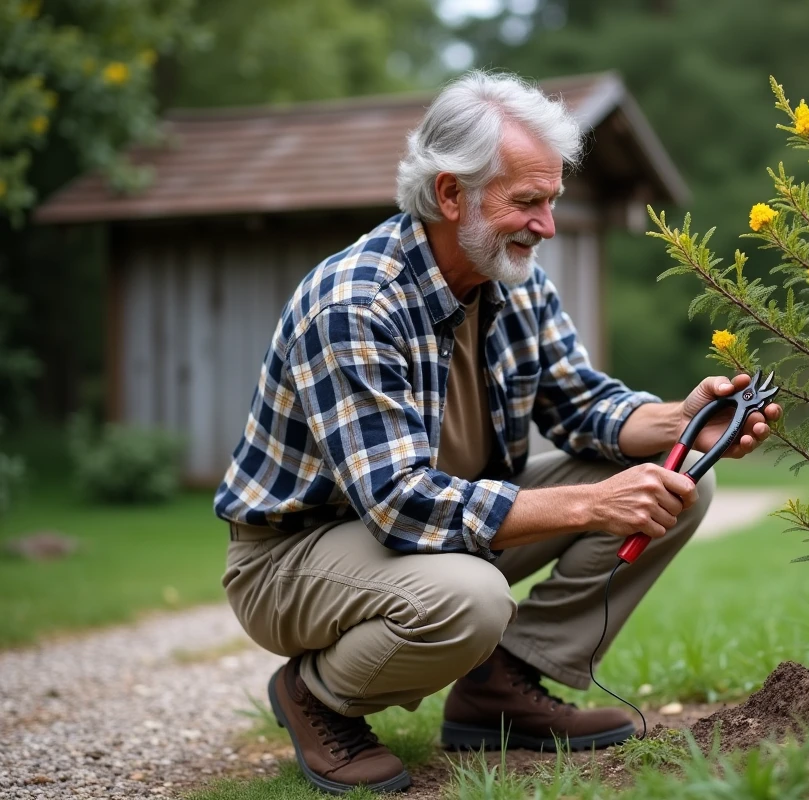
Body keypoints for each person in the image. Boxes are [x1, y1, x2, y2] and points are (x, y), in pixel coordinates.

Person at [213, 71, 780, 795]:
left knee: (679, 485)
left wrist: (682, 424)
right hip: (295, 557)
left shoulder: (510, 277)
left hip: (437, 522)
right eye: (527, 202)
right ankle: (317, 696)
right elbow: (399, 505)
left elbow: (579, 406)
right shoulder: (355, 303)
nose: (546, 224)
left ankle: (499, 688)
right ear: (451, 195)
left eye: (551, 201)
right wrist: (592, 504)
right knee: (472, 596)